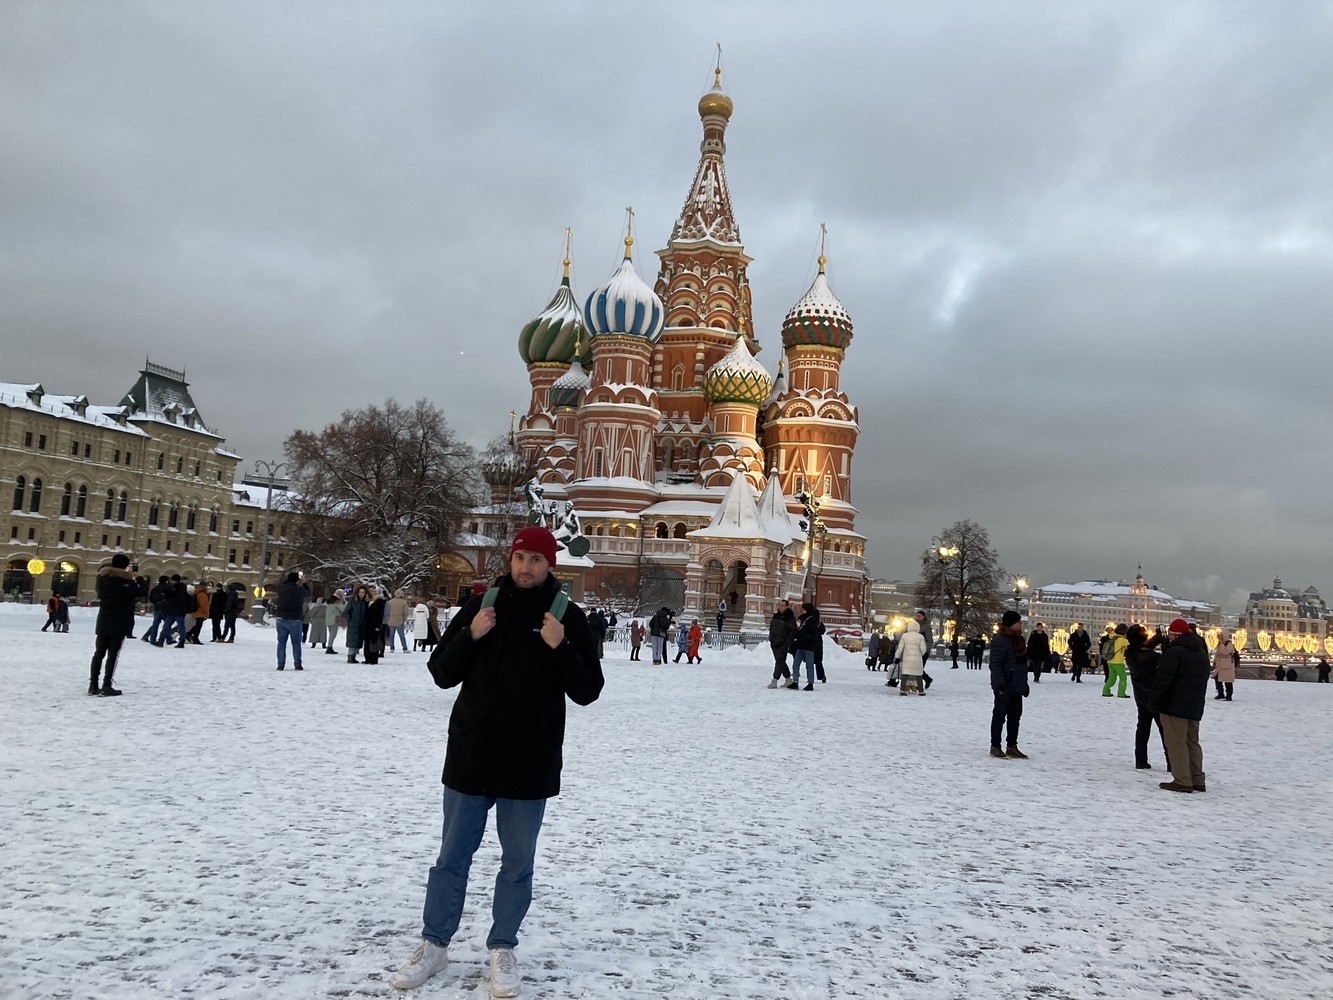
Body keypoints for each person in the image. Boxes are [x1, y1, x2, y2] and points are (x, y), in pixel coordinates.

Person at [391, 526, 603, 995]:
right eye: (520, 557)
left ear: (551, 566)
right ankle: (434, 945)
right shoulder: (481, 607)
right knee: (451, 859)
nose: (526, 567)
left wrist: (560, 645)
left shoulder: (567, 616)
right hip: (473, 754)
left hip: (529, 762)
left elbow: (588, 690)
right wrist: (471, 633)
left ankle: (502, 947)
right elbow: (441, 673)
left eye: (536, 560)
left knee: (516, 864)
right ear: (510, 559)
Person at [1151, 618, 1211, 793]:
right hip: (1194, 705)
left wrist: (1154, 702)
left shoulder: (1175, 652)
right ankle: (1197, 779)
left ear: (1174, 634)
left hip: (1173, 705)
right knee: (1192, 742)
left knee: (1176, 742)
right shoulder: (1201, 652)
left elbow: (1163, 680)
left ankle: (1183, 780)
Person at [89, 554, 137, 696]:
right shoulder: (127, 581)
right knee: (112, 654)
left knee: (98, 653)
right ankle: (107, 684)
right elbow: (139, 592)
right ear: (125, 566)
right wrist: (136, 577)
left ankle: (93, 685)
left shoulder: (103, 579)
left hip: (104, 619)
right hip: (119, 620)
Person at [1125, 624, 1169, 770]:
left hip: (1141, 696)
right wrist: (1165, 643)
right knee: (1165, 731)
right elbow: (1166, 661)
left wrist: (1156, 638)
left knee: (1143, 728)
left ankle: (1141, 760)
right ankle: (1171, 761)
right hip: (1156, 697)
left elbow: (1144, 647)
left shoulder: (1130, 652)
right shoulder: (1152, 657)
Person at [988, 610, 1030, 758]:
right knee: (999, 716)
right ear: (1012, 623)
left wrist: (1024, 684)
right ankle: (995, 746)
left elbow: (1022, 664)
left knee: (1015, 717)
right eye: (1018, 622)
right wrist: (999, 686)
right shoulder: (1001, 640)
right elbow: (995, 664)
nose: (1021, 624)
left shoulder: (1019, 639)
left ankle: (1012, 745)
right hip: (1004, 685)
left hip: (1017, 685)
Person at [274, 572, 305, 671]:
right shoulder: (299, 590)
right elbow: (307, 592)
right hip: (295, 619)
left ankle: (281, 664)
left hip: (281, 618)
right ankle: (297, 664)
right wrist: (303, 582)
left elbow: (281, 584)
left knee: (281, 643)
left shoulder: (281, 588)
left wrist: (288, 580)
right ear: (297, 580)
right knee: (296, 643)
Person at [789, 602, 821, 691]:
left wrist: (802, 636)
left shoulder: (812, 620)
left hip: (808, 646)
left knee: (809, 666)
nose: (801, 611)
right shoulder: (802, 619)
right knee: (796, 664)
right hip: (800, 645)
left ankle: (810, 683)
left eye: (803, 609)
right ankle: (795, 681)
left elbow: (813, 633)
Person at [766, 598, 796, 687]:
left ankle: (774, 680)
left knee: (779, 661)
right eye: (779, 605)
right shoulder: (776, 616)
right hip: (774, 642)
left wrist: (788, 642)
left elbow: (793, 631)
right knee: (781, 662)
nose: (780, 607)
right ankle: (788, 679)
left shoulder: (790, 617)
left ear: (787, 606)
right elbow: (772, 627)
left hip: (783, 643)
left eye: (782, 605)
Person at [895, 618, 928, 696]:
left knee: (905, 675)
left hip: (907, 659)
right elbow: (923, 649)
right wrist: (922, 654)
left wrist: (897, 657)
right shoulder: (920, 637)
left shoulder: (904, 636)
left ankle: (903, 690)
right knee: (919, 675)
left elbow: (900, 648)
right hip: (917, 660)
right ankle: (921, 690)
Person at [1101, 623, 1129, 698]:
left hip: (1110, 661)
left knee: (1112, 677)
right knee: (1123, 677)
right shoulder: (1123, 640)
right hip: (1118, 662)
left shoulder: (1111, 637)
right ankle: (1121, 693)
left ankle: (1106, 691)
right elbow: (1129, 648)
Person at [1212, 630, 1239, 701]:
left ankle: (1229, 695)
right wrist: (1214, 661)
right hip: (1220, 665)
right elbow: (1217, 653)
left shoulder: (1229, 644)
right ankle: (1220, 693)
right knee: (1217, 679)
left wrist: (1221, 644)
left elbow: (1225, 652)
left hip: (1227, 666)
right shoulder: (1220, 643)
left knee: (1228, 681)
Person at [345, 586, 369, 663]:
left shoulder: (365, 603)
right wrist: (350, 620)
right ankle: (350, 656)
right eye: (360, 592)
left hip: (361, 625)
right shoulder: (353, 602)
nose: (361, 594)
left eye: (363, 592)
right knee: (352, 641)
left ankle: (354, 656)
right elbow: (346, 612)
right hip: (353, 624)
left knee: (358, 641)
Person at [364, 586, 387, 664]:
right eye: (372, 591)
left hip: (375, 625)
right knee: (367, 641)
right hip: (367, 624)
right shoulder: (369, 601)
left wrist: (378, 626)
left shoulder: (380, 602)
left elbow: (380, 615)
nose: (373, 592)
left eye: (375, 591)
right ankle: (367, 658)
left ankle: (373, 658)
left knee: (374, 640)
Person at [912, 611, 934, 689]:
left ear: (924, 617)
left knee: (919, 668)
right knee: (916, 667)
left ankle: (922, 682)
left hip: (923, 650)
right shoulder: (914, 625)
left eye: (920, 616)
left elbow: (929, 639)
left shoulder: (926, 626)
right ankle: (926, 680)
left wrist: (926, 650)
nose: (918, 617)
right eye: (917, 616)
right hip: (915, 649)